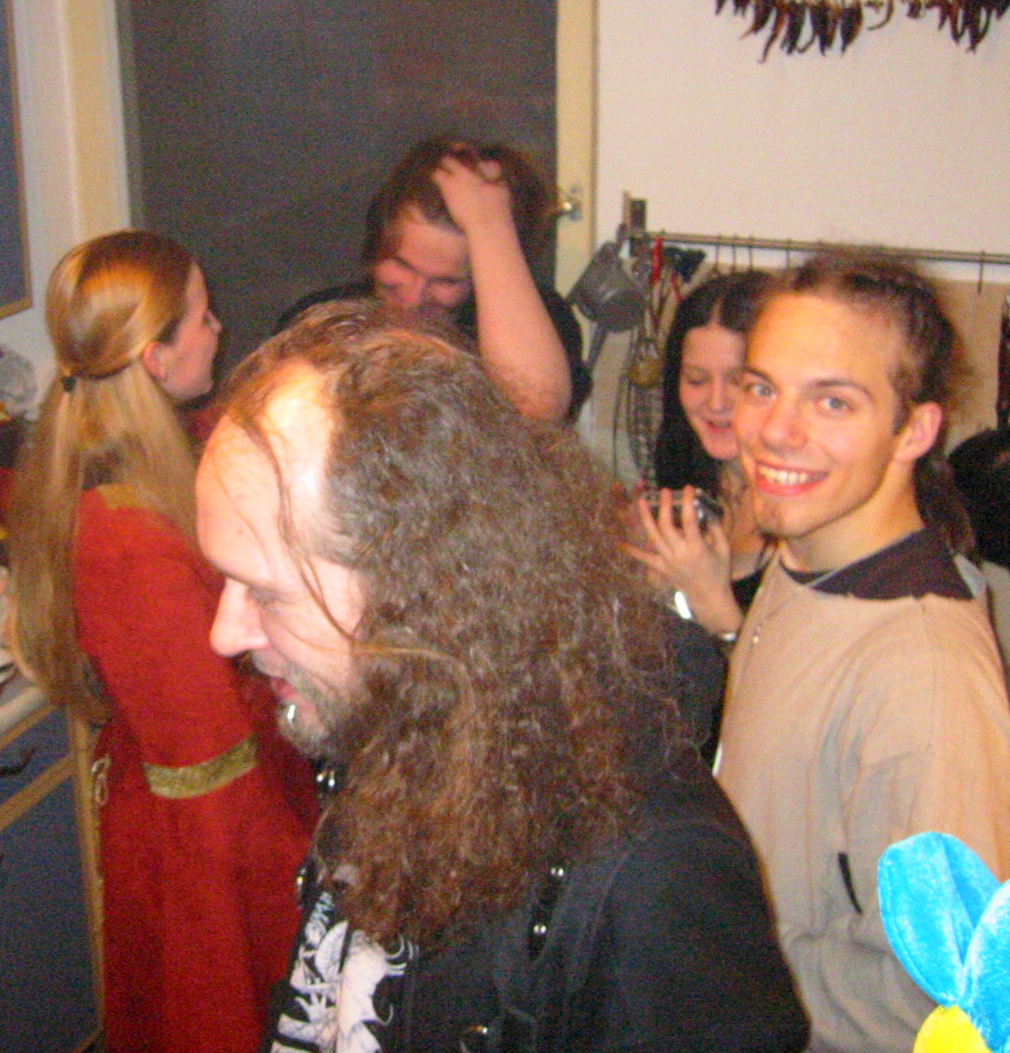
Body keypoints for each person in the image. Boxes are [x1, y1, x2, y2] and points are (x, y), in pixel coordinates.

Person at [195, 301, 810, 1052]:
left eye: (266, 593)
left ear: (421, 588)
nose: (225, 634)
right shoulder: (398, 716)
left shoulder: (657, 875)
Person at [7, 231, 317, 1053]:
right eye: (204, 317)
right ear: (154, 358)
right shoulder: (125, 545)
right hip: (206, 842)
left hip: (215, 796)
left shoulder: (156, 446)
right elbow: (208, 767)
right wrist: (301, 877)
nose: (219, 329)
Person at [715, 252, 1010, 1053]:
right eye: (761, 387)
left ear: (913, 430)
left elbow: (940, 998)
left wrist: (700, 956)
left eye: (833, 402)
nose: (776, 430)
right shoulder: (799, 561)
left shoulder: (923, 674)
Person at [277, 137, 590, 421]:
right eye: (401, 264)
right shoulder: (320, 320)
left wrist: (489, 225)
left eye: (446, 281)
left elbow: (535, 408)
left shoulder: (541, 324)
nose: (414, 297)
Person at [623, 269, 772, 754]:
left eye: (739, 382)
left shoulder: (807, 521)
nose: (715, 402)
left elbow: (793, 708)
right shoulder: (687, 490)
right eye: (696, 379)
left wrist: (715, 606)